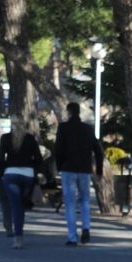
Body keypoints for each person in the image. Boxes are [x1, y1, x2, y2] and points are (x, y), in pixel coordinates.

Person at [53, 101, 101, 245]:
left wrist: (58, 165)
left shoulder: (63, 128)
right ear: (79, 112)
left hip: (68, 168)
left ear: (69, 112)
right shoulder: (88, 129)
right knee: (85, 200)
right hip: (85, 169)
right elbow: (98, 150)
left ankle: (72, 236)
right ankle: (86, 227)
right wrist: (99, 170)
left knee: (70, 203)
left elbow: (58, 148)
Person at [0, 117, 43, 250]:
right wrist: (32, 168)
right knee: (21, 206)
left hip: (10, 174)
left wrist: (2, 173)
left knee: (15, 207)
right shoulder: (30, 139)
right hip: (27, 175)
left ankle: (18, 238)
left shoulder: (5, 138)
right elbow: (38, 158)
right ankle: (19, 231)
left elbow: (0, 158)